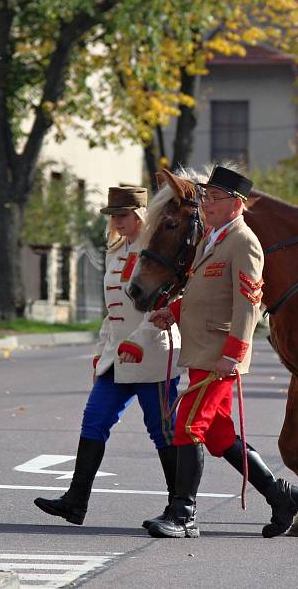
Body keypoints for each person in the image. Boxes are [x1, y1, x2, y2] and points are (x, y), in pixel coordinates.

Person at [145, 165, 298, 539]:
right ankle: (281, 497)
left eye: (214, 198)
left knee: (187, 425)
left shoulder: (244, 241)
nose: (207, 204)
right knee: (218, 437)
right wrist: (173, 311)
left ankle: (183, 515)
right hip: (203, 352)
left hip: (220, 355)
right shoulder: (213, 238)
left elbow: (248, 304)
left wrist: (234, 354)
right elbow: (206, 294)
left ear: (236, 203)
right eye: (205, 196)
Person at [34, 186, 182, 527]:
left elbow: (163, 305)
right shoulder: (116, 250)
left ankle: (179, 508)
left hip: (152, 354)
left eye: (122, 215)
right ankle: (76, 501)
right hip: (117, 356)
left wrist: (139, 341)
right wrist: (103, 349)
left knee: (162, 431)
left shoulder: (157, 248)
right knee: (94, 420)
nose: (115, 221)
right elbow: (113, 310)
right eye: (112, 216)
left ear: (140, 215)